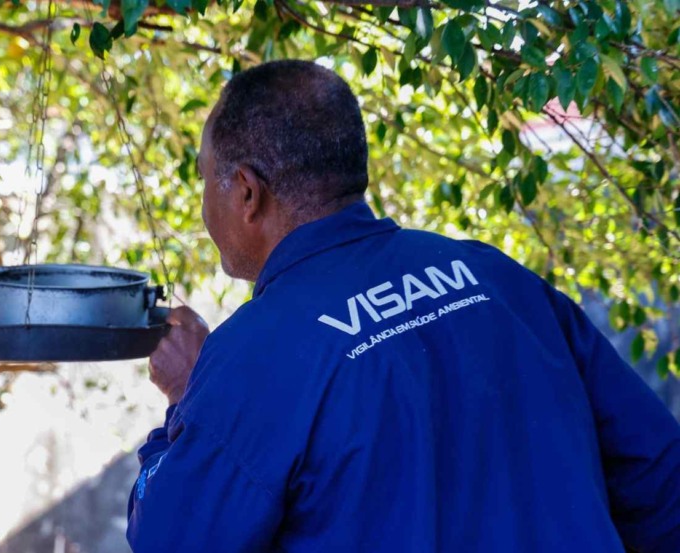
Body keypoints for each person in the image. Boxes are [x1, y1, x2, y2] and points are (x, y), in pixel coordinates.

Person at [126, 60, 680, 552]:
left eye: (205, 179)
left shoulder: (251, 357)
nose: (204, 202)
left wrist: (186, 399)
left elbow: (171, 539)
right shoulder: (497, 276)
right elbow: (658, 475)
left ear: (247, 192)